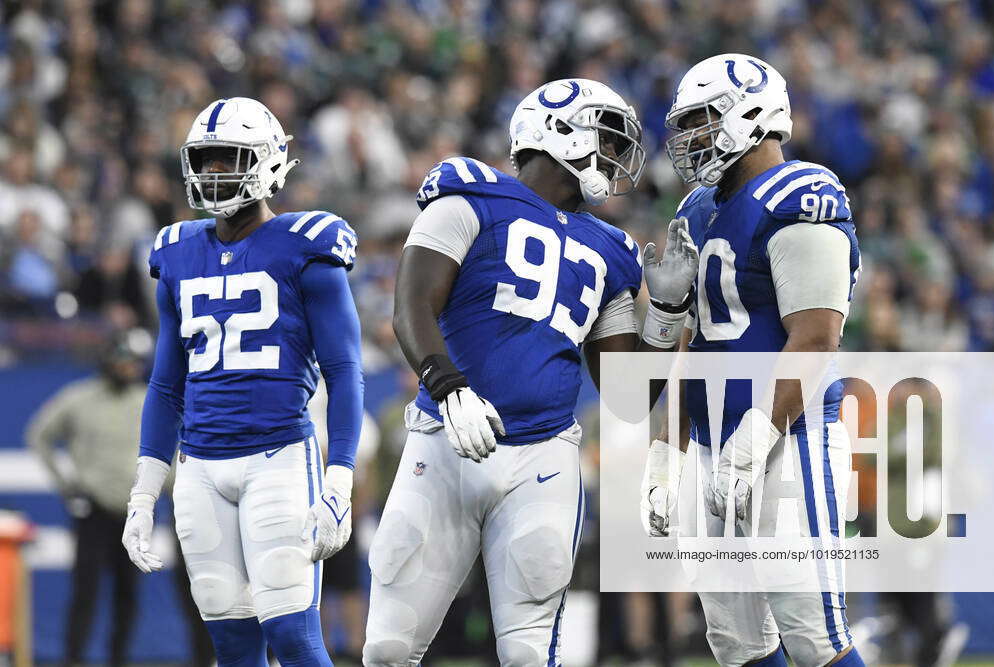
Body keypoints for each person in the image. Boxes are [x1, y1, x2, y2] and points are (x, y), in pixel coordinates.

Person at [363, 78, 698, 666]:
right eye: (608, 138)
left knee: (529, 653)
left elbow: (624, 394)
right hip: (444, 438)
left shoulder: (611, 248)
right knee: (389, 648)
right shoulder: (470, 191)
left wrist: (666, 315)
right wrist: (448, 387)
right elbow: (411, 305)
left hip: (542, 458)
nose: (617, 158)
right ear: (558, 131)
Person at [120, 97, 364, 667]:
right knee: (231, 647)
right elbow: (164, 386)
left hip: (277, 457)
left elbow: (345, 370)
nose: (212, 174)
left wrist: (341, 478)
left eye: (227, 158)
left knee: (294, 639)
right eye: (204, 161)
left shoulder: (308, 244)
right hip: (199, 468)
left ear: (268, 162)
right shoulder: (176, 252)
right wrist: (143, 490)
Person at [640, 54, 865, 667]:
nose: (694, 138)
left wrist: (752, 442)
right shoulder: (695, 209)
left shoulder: (802, 194)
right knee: (736, 644)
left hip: (792, 436)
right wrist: (666, 453)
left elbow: (816, 339)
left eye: (706, 120)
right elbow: (694, 344)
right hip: (715, 442)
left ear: (754, 116)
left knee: (814, 636)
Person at [27, 333, 147, 667]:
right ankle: (73, 659)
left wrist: (166, 489)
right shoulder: (80, 398)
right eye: (123, 360)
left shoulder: (149, 400)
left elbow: (171, 447)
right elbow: (39, 434)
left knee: (128, 594)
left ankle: (118, 659)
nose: (129, 368)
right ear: (108, 360)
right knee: (86, 592)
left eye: (134, 362)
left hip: (134, 511)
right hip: (92, 508)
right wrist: (67, 484)